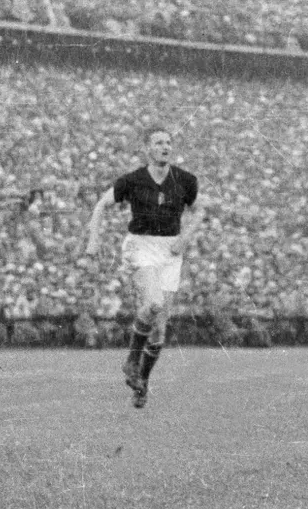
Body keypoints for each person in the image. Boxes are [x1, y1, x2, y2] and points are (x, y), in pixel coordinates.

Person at [86, 127, 202, 409]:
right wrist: (93, 240)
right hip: (141, 246)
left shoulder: (185, 180)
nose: (165, 146)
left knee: (160, 331)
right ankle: (131, 360)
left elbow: (199, 211)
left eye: (168, 142)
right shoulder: (134, 180)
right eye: (158, 142)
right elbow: (101, 205)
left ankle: (142, 382)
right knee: (152, 303)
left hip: (170, 250)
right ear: (148, 149)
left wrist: (185, 239)